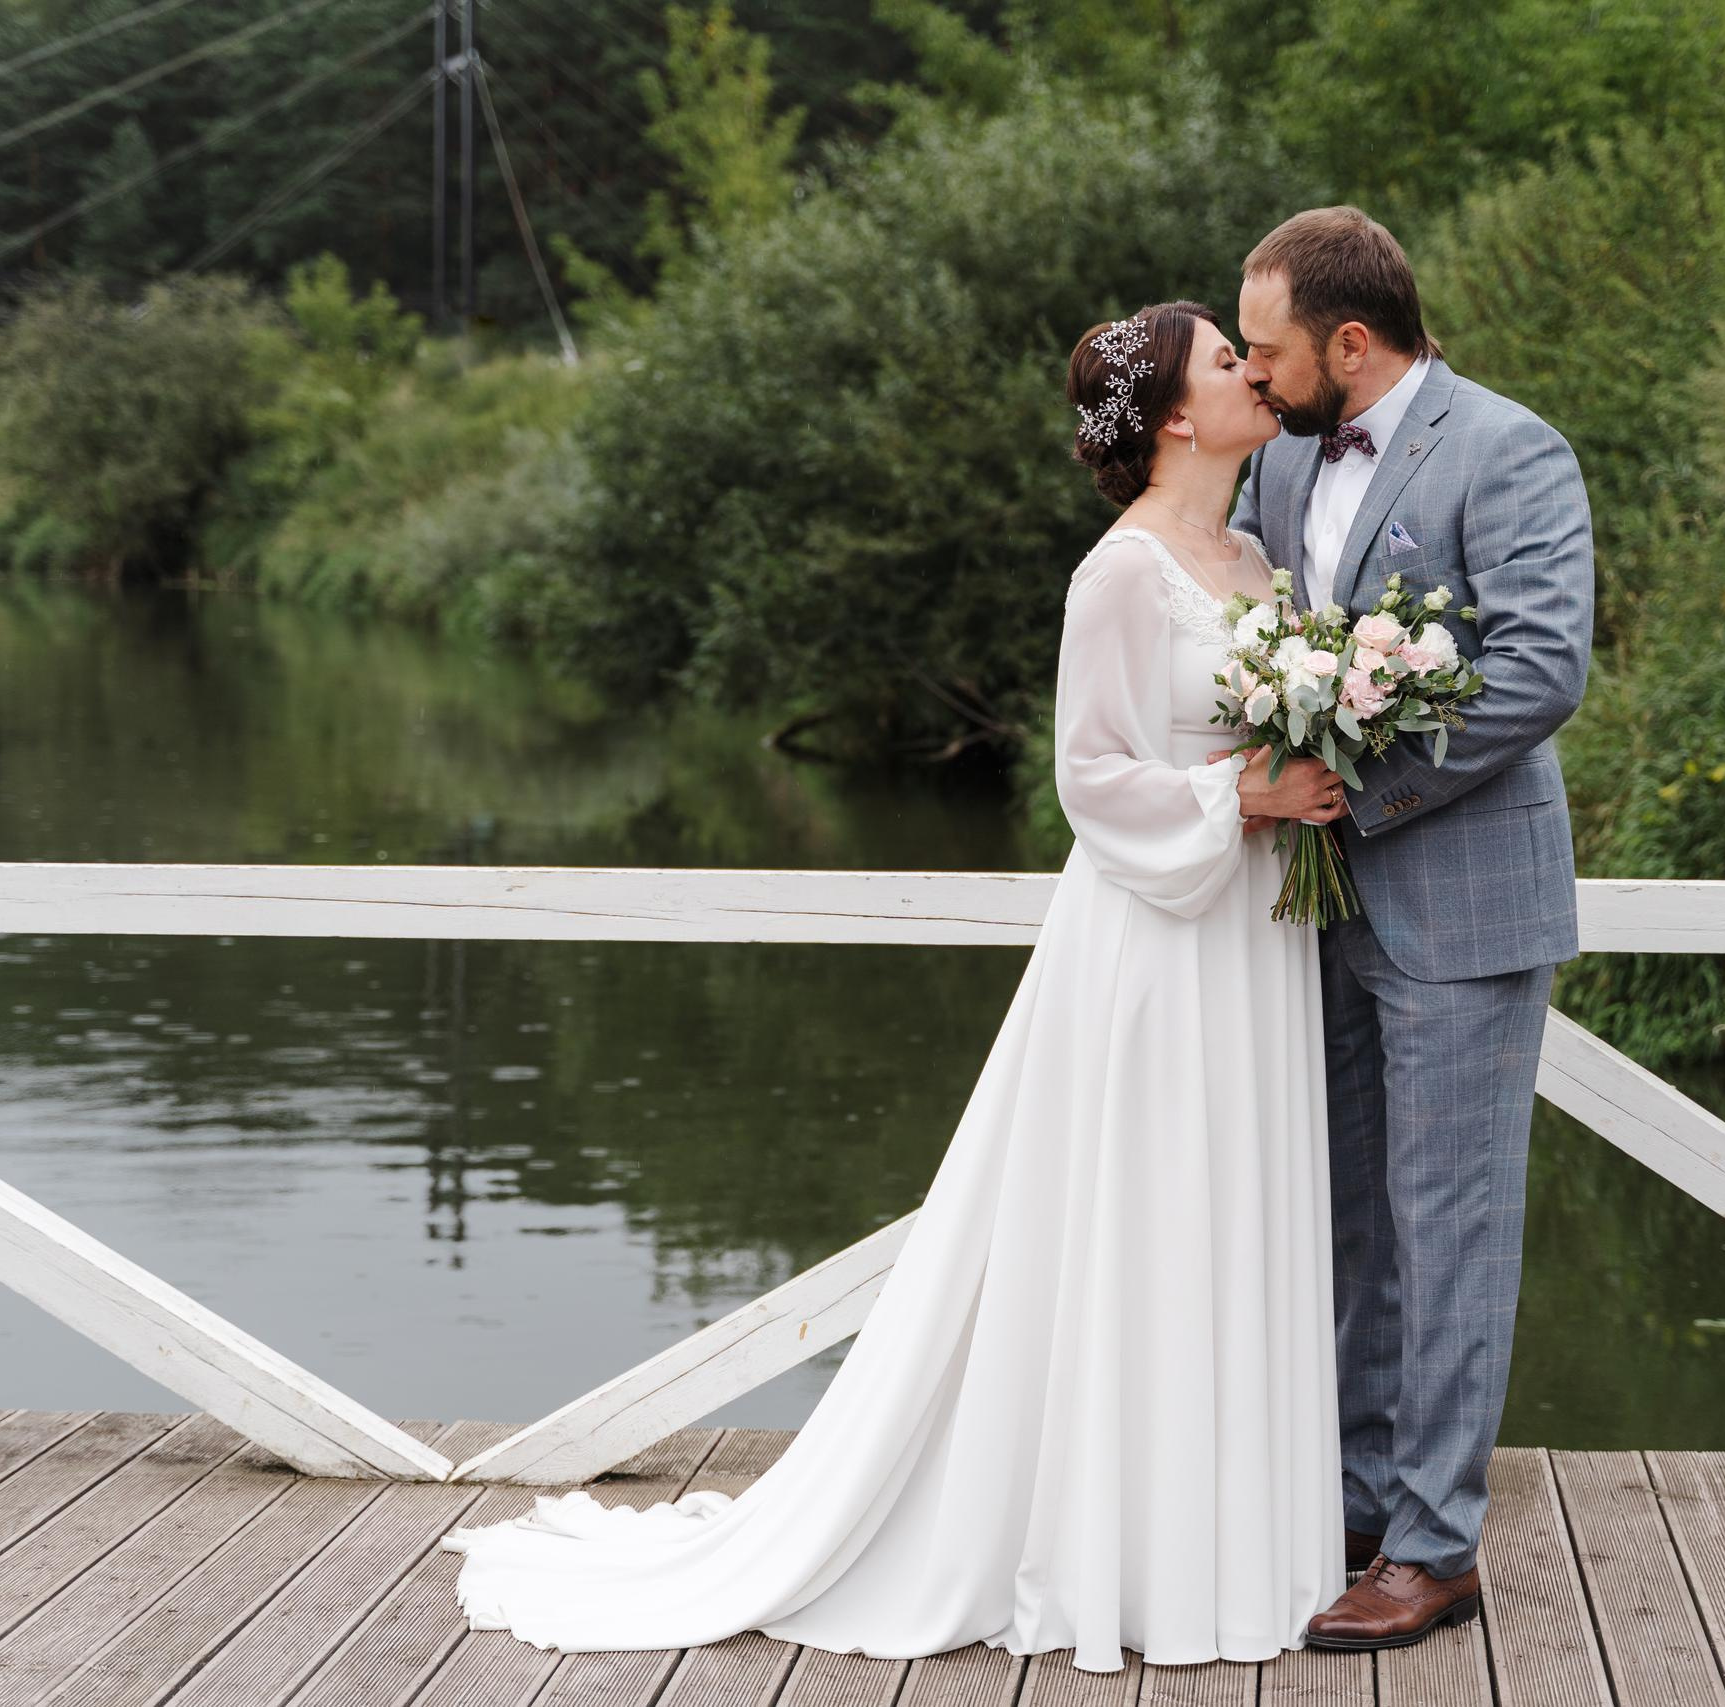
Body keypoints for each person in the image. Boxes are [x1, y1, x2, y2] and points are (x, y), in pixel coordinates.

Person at [439, 298, 1358, 1673]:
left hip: (1255, 941)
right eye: (1229, 364)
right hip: (1158, 947)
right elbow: (1090, 781)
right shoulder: (1120, 575)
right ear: (1175, 414)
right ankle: (1126, 1555)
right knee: (1145, 1214)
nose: (1254, 374)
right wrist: (1247, 789)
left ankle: (1235, 1545)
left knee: (1233, 1205)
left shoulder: (1253, 557)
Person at [1228, 205, 1594, 1651]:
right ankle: (1362, 1502)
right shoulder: (1279, 460)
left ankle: (1437, 1548)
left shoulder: (1511, 449)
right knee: (1349, 1219)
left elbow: (1540, 670)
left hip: (1461, 901)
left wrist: (1355, 788)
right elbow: (1257, 646)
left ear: (1351, 341)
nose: (1253, 379)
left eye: (1268, 353)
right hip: (1314, 913)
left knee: (1450, 1229)